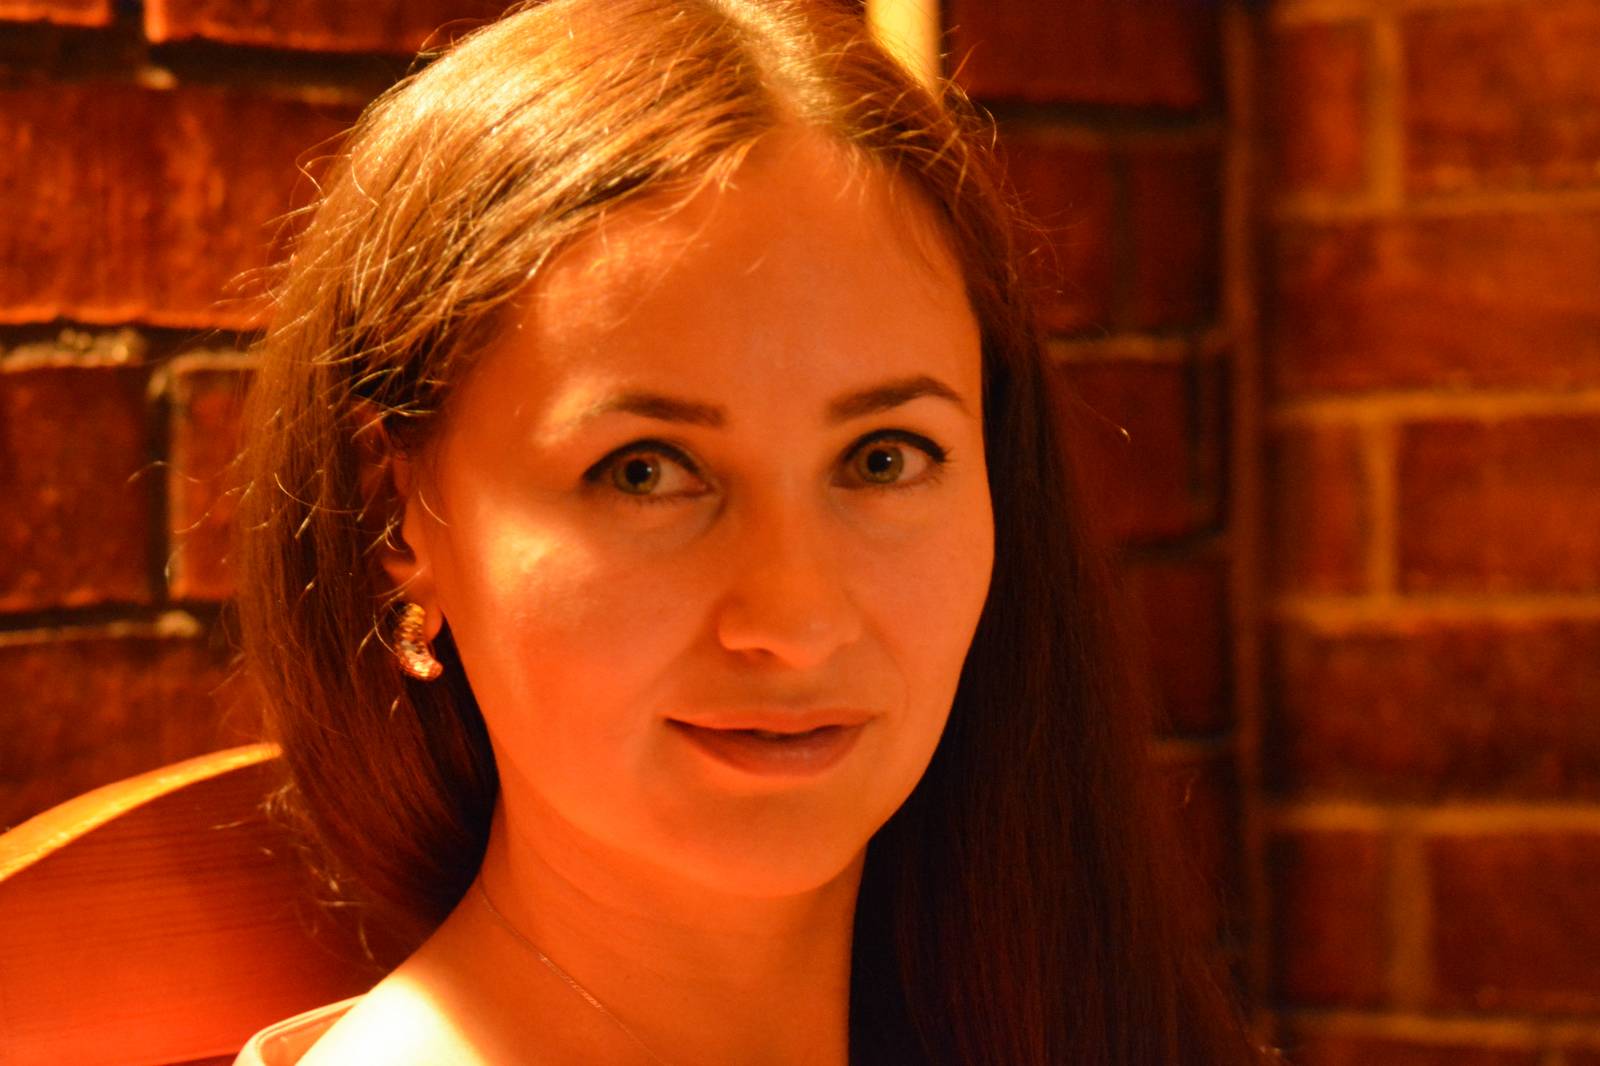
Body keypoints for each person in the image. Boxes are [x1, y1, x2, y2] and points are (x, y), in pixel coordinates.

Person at [231, 1, 1279, 1063]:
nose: (797, 619)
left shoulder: (1064, 1009)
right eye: (645, 472)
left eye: (882, 458)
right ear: (394, 517)